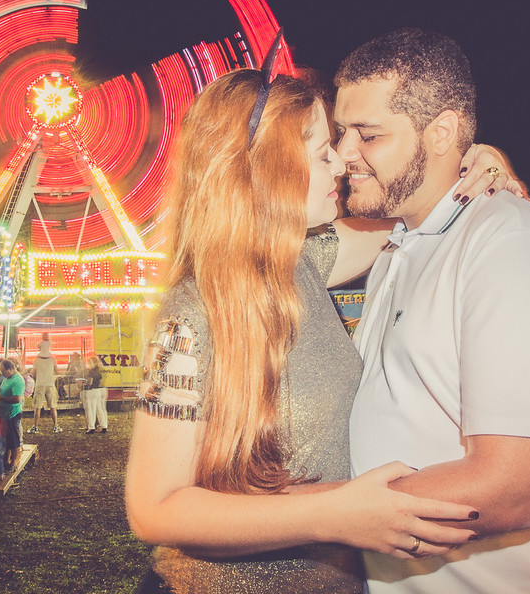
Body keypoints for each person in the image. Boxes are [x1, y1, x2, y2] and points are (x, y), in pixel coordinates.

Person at [125, 66, 510, 594]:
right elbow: (154, 508)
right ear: (266, 168)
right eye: (323, 152)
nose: (342, 163)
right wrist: (334, 514)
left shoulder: (304, 262)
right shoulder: (191, 314)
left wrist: (474, 160)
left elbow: (418, 207)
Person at [336, 28, 530, 593]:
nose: (344, 153)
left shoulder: (511, 242)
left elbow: (510, 489)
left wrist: (317, 514)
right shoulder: (397, 246)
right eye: (342, 133)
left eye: (368, 134)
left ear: (442, 132)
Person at [0, 359, 25, 471]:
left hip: (13, 413)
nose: (1, 373)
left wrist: (1, 398)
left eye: (3, 371)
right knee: (7, 438)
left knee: (13, 439)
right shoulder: (6, 378)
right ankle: (7, 459)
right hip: (5, 413)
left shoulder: (17, 380)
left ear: (9, 369)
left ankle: (14, 462)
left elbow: (17, 398)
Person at [29, 341, 61, 434]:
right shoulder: (52, 360)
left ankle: (35, 427)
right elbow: (57, 371)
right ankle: (55, 426)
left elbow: (33, 373)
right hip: (50, 384)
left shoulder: (37, 360)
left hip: (40, 384)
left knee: (37, 407)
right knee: (52, 407)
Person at [82, 355, 107, 434]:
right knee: (99, 409)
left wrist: (85, 383)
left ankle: (91, 427)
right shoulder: (98, 372)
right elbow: (100, 382)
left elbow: (90, 382)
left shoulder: (91, 372)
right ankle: (104, 426)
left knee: (90, 410)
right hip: (98, 391)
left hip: (91, 391)